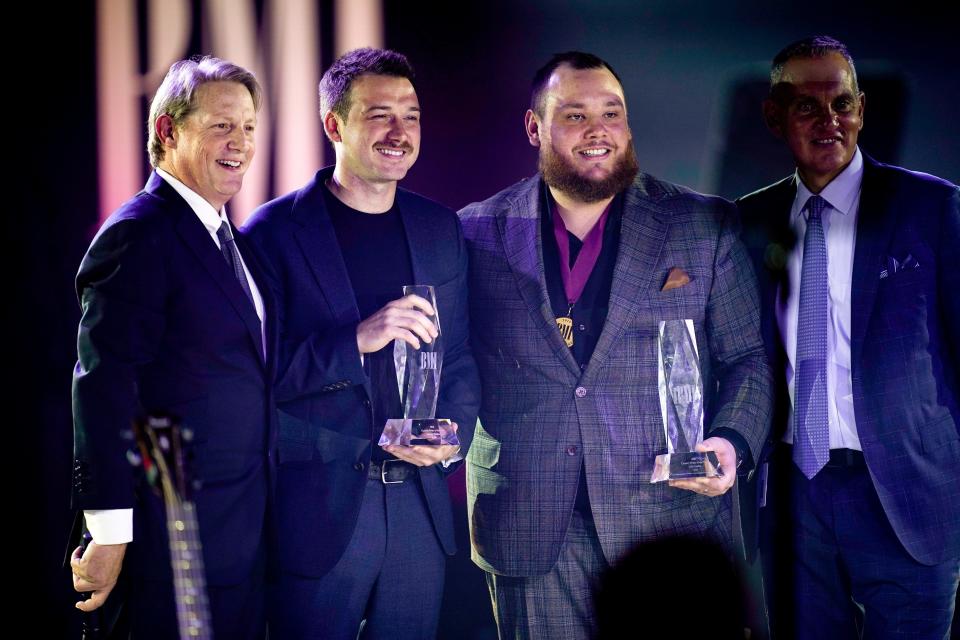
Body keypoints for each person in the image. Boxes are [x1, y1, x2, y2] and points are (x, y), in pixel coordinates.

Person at [458, 51, 771, 638]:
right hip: (530, 520)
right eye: (574, 115)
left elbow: (748, 359)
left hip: (669, 516)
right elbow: (453, 361)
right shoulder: (475, 230)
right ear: (535, 128)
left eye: (612, 113)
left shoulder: (702, 224)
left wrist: (730, 443)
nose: (598, 130)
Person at [241, 47, 480, 639]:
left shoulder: (439, 228)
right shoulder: (271, 233)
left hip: (419, 511)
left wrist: (451, 436)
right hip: (319, 511)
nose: (400, 132)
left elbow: (461, 360)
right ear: (334, 126)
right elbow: (255, 374)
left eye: (412, 115)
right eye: (379, 114)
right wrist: (358, 339)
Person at [737, 35, 960, 639]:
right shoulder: (746, 224)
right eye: (806, 105)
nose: (829, 120)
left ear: (861, 109)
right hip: (792, 499)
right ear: (774, 115)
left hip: (907, 496)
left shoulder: (931, 208)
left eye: (842, 103)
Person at [69, 55, 274, 638]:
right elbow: (104, 390)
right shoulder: (138, 234)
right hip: (169, 546)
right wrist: (109, 533)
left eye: (249, 127)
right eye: (221, 126)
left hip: (239, 541)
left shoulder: (232, 239)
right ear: (168, 131)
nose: (240, 143)